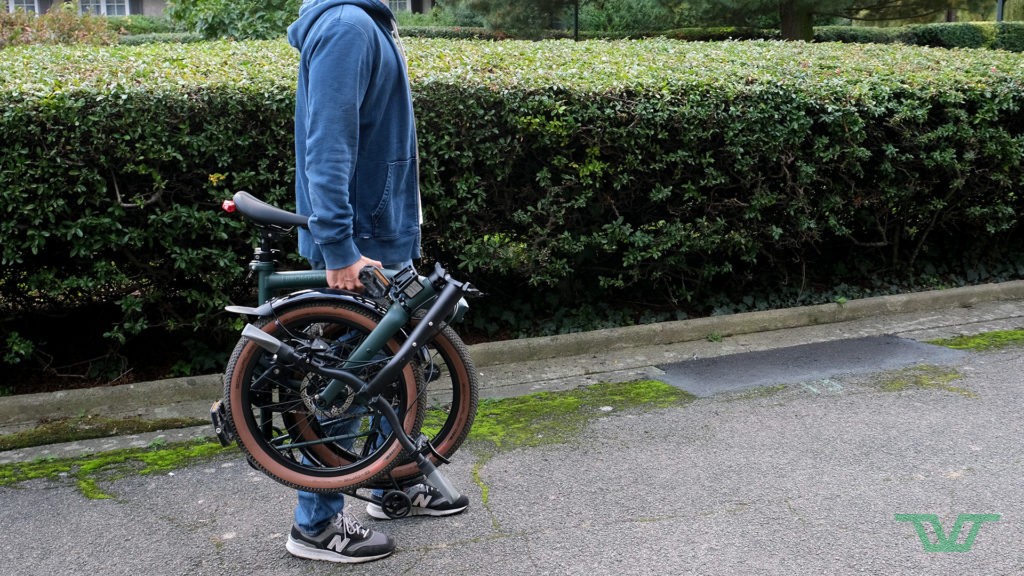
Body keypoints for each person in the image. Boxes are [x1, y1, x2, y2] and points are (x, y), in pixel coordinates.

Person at [284, 0, 468, 564]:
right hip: (360, 244)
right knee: (348, 384)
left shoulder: (365, 22)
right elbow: (328, 143)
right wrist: (339, 247)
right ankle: (315, 526)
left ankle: (389, 488)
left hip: (380, 236)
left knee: (391, 374)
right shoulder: (348, 27)